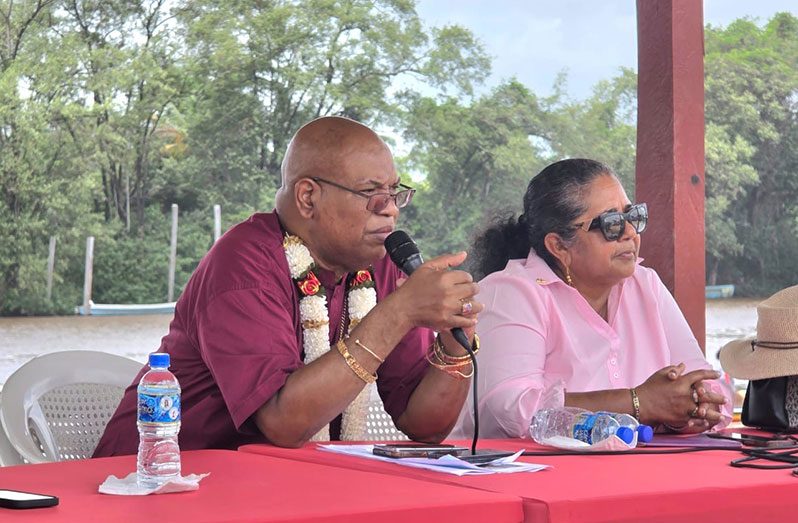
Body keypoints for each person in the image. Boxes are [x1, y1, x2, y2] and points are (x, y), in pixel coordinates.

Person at [94, 116, 481, 455]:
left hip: (285, 489)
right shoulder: (245, 264)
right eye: (371, 193)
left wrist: (453, 343)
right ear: (308, 196)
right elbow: (284, 422)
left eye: (395, 192)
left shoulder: (376, 265)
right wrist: (400, 312)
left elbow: (424, 425)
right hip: (161, 485)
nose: (391, 207)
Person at [453, 158, 732, 440]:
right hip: (533, 477)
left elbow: (710, 386)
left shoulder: (645, 284)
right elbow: (512, 414)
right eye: (611, 224)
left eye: (632, 216)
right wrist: (639, 403)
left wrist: (691, 408)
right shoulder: (512, 292)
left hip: (642, 474)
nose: (630, 233)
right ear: (559, 246)